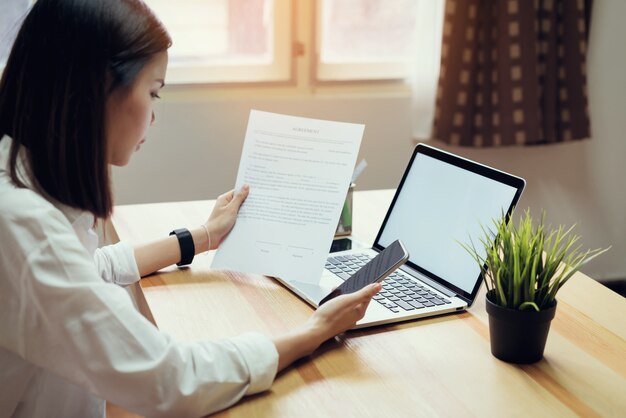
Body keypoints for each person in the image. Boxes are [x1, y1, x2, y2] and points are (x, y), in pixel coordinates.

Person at [0, 1, 381, 417]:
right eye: (152, 91)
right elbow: (171, 379)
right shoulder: (24, 226)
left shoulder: (19, 183)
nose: (153, 115)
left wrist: (202, 237)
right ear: (99, 90)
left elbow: (88, 269)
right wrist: (315, 330)